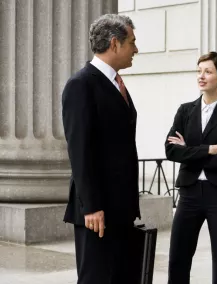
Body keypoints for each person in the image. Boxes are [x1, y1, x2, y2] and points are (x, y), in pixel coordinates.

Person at [61, 14, 140, 284]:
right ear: (115, 43)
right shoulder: (81, 84)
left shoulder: (116, 83)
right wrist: (92, 206)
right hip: (98, 212)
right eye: (132, 42)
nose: (136, 49)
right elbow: (80, 151)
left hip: (122, 208)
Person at [165, 51, 217, 284]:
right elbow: (171, 151)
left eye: (208, 71)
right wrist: (207, 150)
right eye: (199, 71)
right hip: (189, 193)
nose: (201, 76)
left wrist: (189, 150)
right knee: (178, 256)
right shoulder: (185, 110)